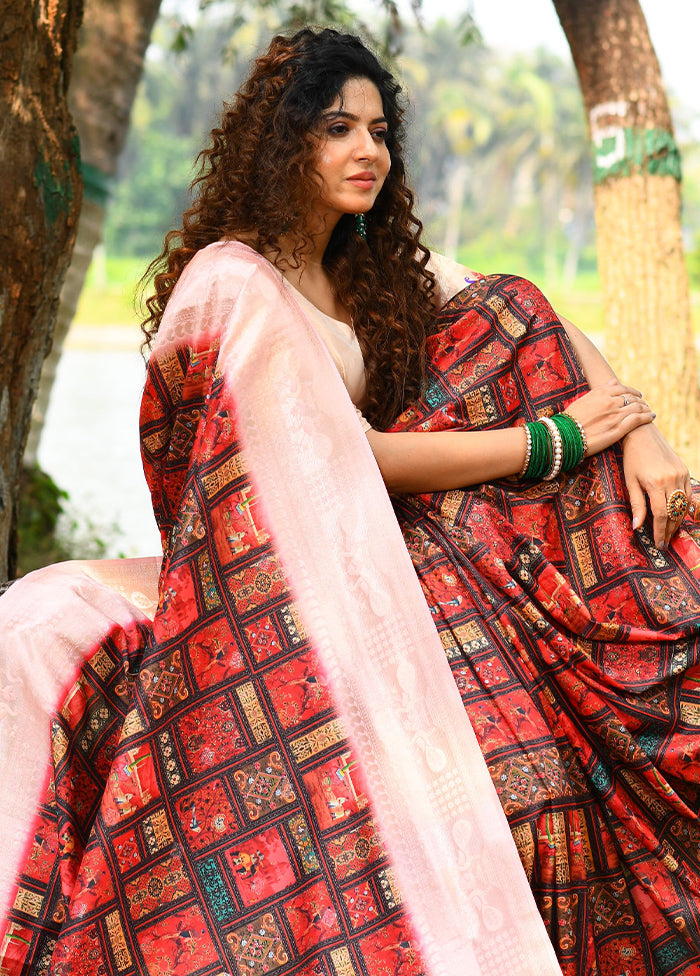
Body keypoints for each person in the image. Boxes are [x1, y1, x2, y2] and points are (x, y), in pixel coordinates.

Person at [2, 25, 700, 976]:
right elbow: (348, 456)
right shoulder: (233, 283)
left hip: (395, 539)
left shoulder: (373, 270)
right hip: (271, 560)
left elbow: (537, 315)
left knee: (508, 314)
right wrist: (557, 440)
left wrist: (642, 433)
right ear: (283, 142)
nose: (367, 151)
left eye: (379, 131)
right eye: (338, 128)